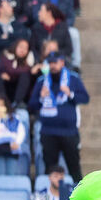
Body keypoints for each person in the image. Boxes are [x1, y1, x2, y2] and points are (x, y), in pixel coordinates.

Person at [27, 50, 87, 184]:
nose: (53, 66)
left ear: (62, 62)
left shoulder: (73, 78)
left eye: (55, 63)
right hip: (48, 132)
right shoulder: (42, 80)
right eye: (50, 63)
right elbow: (32, 105)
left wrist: (70, 93)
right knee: (50, 169)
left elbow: (85, 98)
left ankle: (81, 198)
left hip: (69, 132)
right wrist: (41, 97)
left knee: (74, 168)